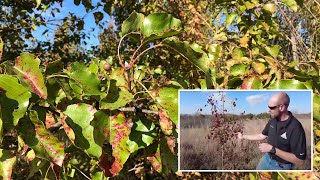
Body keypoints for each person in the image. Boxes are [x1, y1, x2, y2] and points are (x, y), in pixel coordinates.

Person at [238, 92, 306, 170]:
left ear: (281, 107)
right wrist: (243, 136)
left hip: (282, 166)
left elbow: (300, 161)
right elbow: (262, 135)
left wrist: (272, 149)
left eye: (271, 107)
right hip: (266, 159)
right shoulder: (273, 120)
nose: (268, 110)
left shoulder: (295, 128)